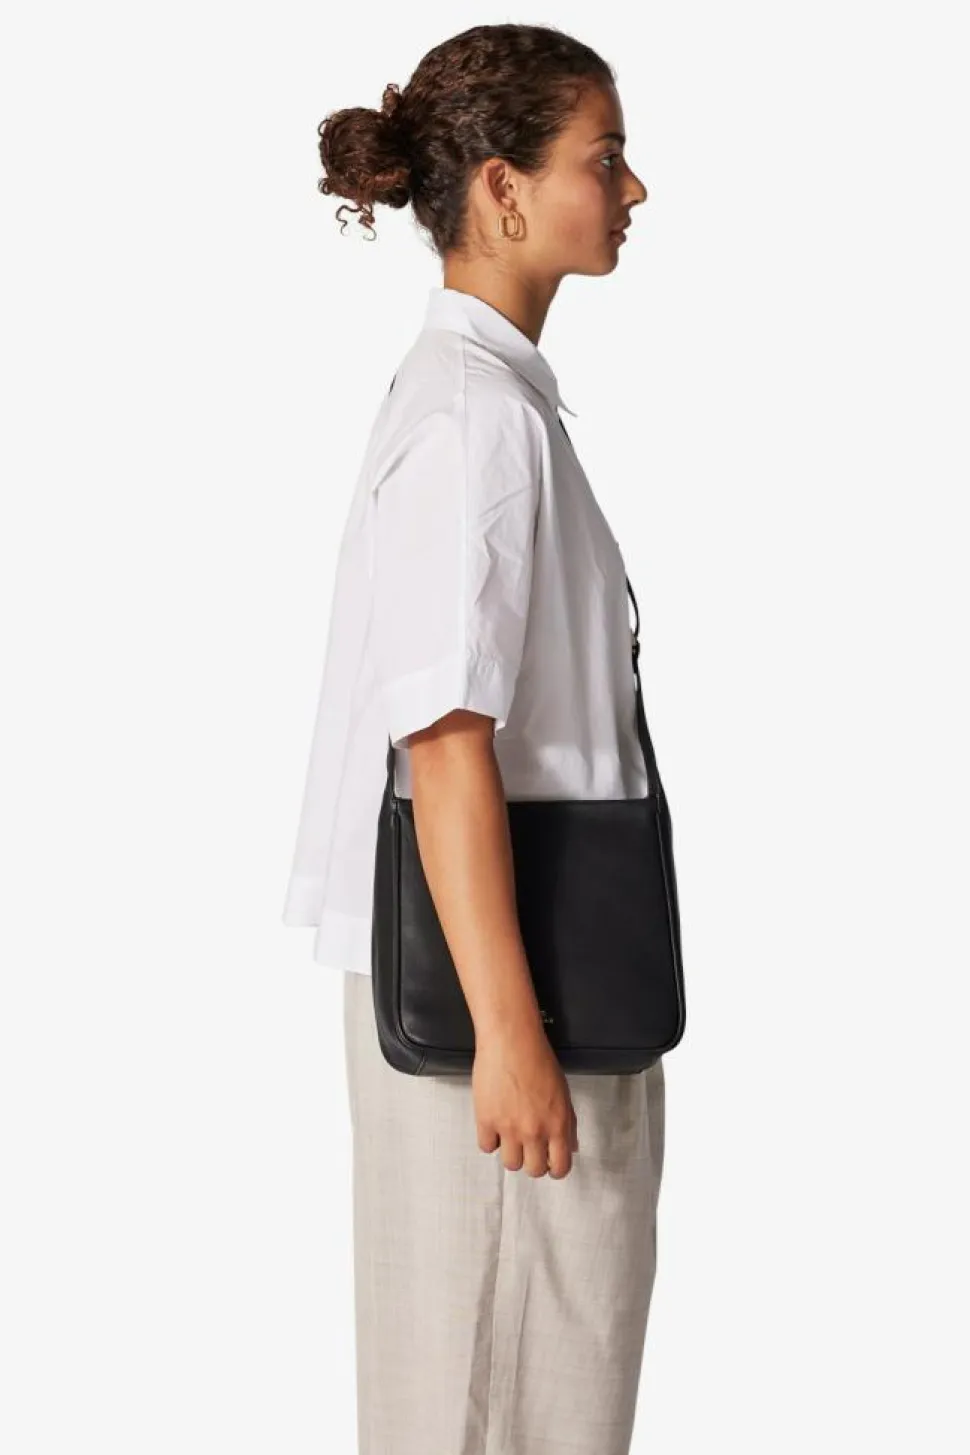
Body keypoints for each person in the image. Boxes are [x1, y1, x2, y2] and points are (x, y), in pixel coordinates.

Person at [283, 22, 666, 1455]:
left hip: (537, 978)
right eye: (603, 159)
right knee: (502, 1405)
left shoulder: (491, 406)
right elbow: (442, 739)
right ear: (503, 188)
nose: (634, 189)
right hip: (505, 1006)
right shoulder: (472, 422)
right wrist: (509, 1035)